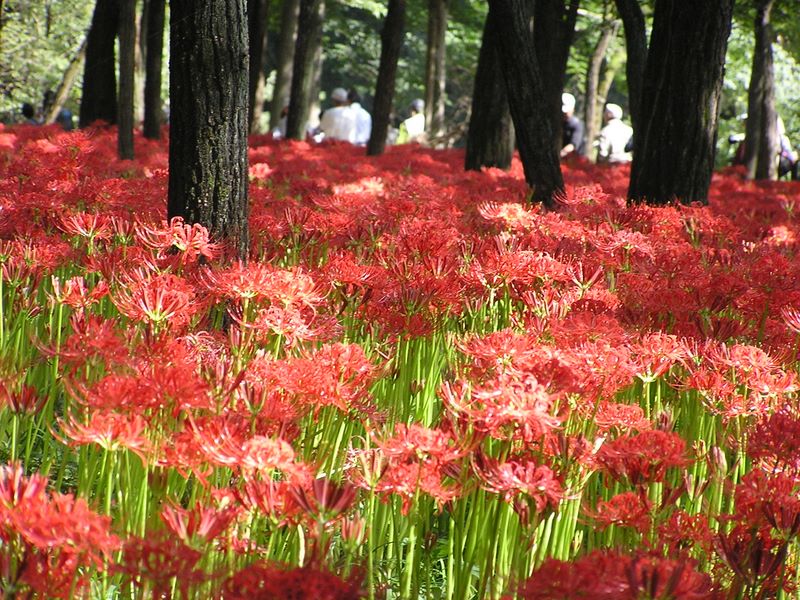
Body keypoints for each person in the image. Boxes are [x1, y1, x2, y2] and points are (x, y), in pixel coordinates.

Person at [560, 93, 584, 158]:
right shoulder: (558, 122)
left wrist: (561, 153)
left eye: (566, 112)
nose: (564, 114)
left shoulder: (577, 125)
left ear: (573, 109)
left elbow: (573, 145)